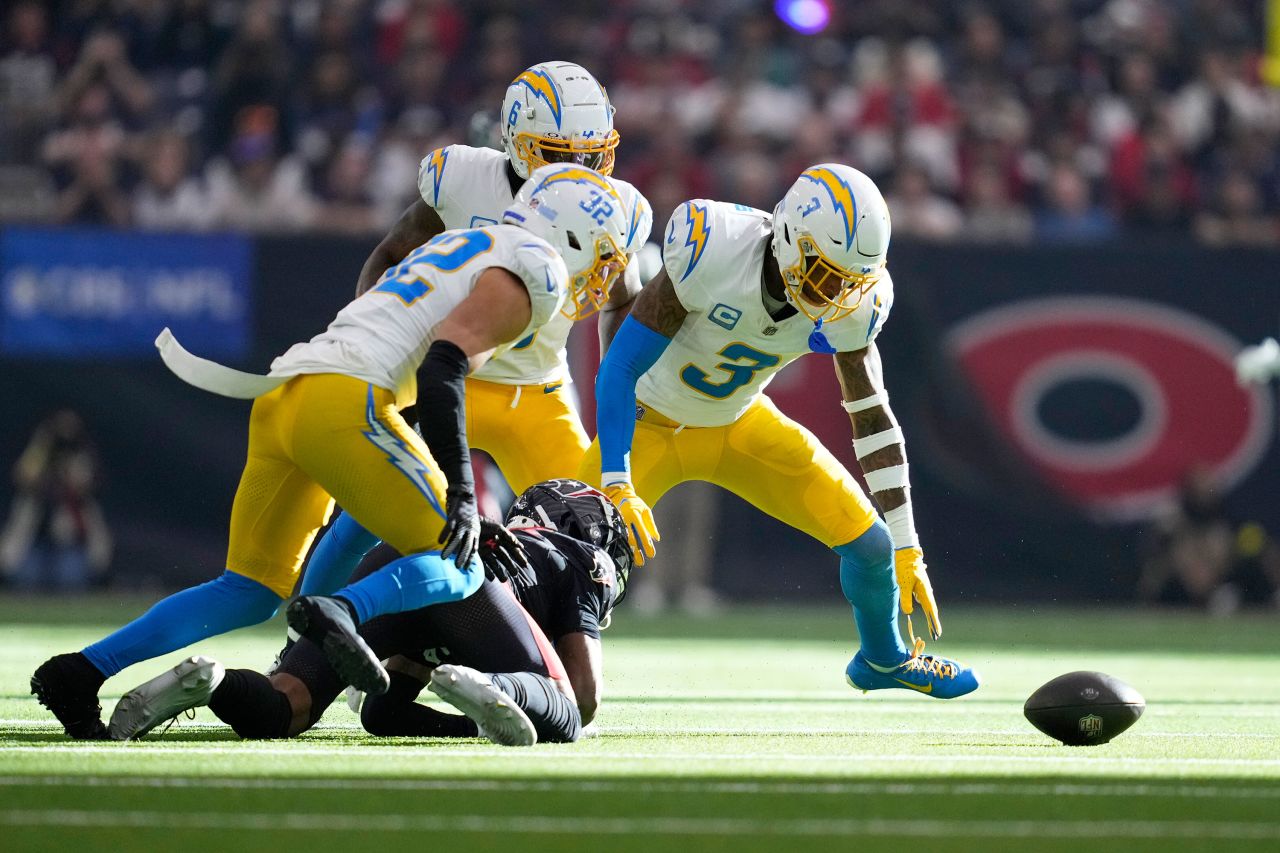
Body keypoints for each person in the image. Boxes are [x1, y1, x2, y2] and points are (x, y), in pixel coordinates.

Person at [31, 163, 632, 740]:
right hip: (347, 402)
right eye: (602, 255)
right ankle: (342, 611)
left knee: (248, 589)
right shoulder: (539, 266)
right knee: (461, 563)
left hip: (286, 396)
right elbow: (444, 365)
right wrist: (461, 491)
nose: (603, 277)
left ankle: (82, 672)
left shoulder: (474, 242)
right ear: (571, 235)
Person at [582, 163, 979, 697]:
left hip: (738, 419)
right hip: (650, 420)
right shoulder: (713, 247)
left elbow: (871, 414)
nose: (839, 292)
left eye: (852, 279)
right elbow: (621, 367)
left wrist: (910, 546)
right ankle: (511, 658)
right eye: (829, 272)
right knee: (558, 551)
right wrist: (617, 477)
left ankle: (882, 661)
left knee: (872, 547)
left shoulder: (854, 302)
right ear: (791, 238)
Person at [284, 60, 651, 620]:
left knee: (589, 538)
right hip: (453, 376)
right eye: (562, 153)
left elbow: (622, 300)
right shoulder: (462, 179)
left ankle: (541, 664)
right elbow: (391, 252)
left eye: (592, 154)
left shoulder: (615, 206)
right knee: (364, 511)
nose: (581, 169)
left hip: (539, 390)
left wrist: (615, 382)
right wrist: (365, 342)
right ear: (517, 143)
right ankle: (303, 629)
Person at [106, 479, 630, 746]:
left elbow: (386, 711)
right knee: (563, 713)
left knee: (286, 707)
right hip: (467, 584)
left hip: (395, 561)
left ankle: (213, 684)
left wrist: (467, 719)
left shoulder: (504, 531)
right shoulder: (578, 558)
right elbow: (584, 698)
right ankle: (495, 685)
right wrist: (512, 690)